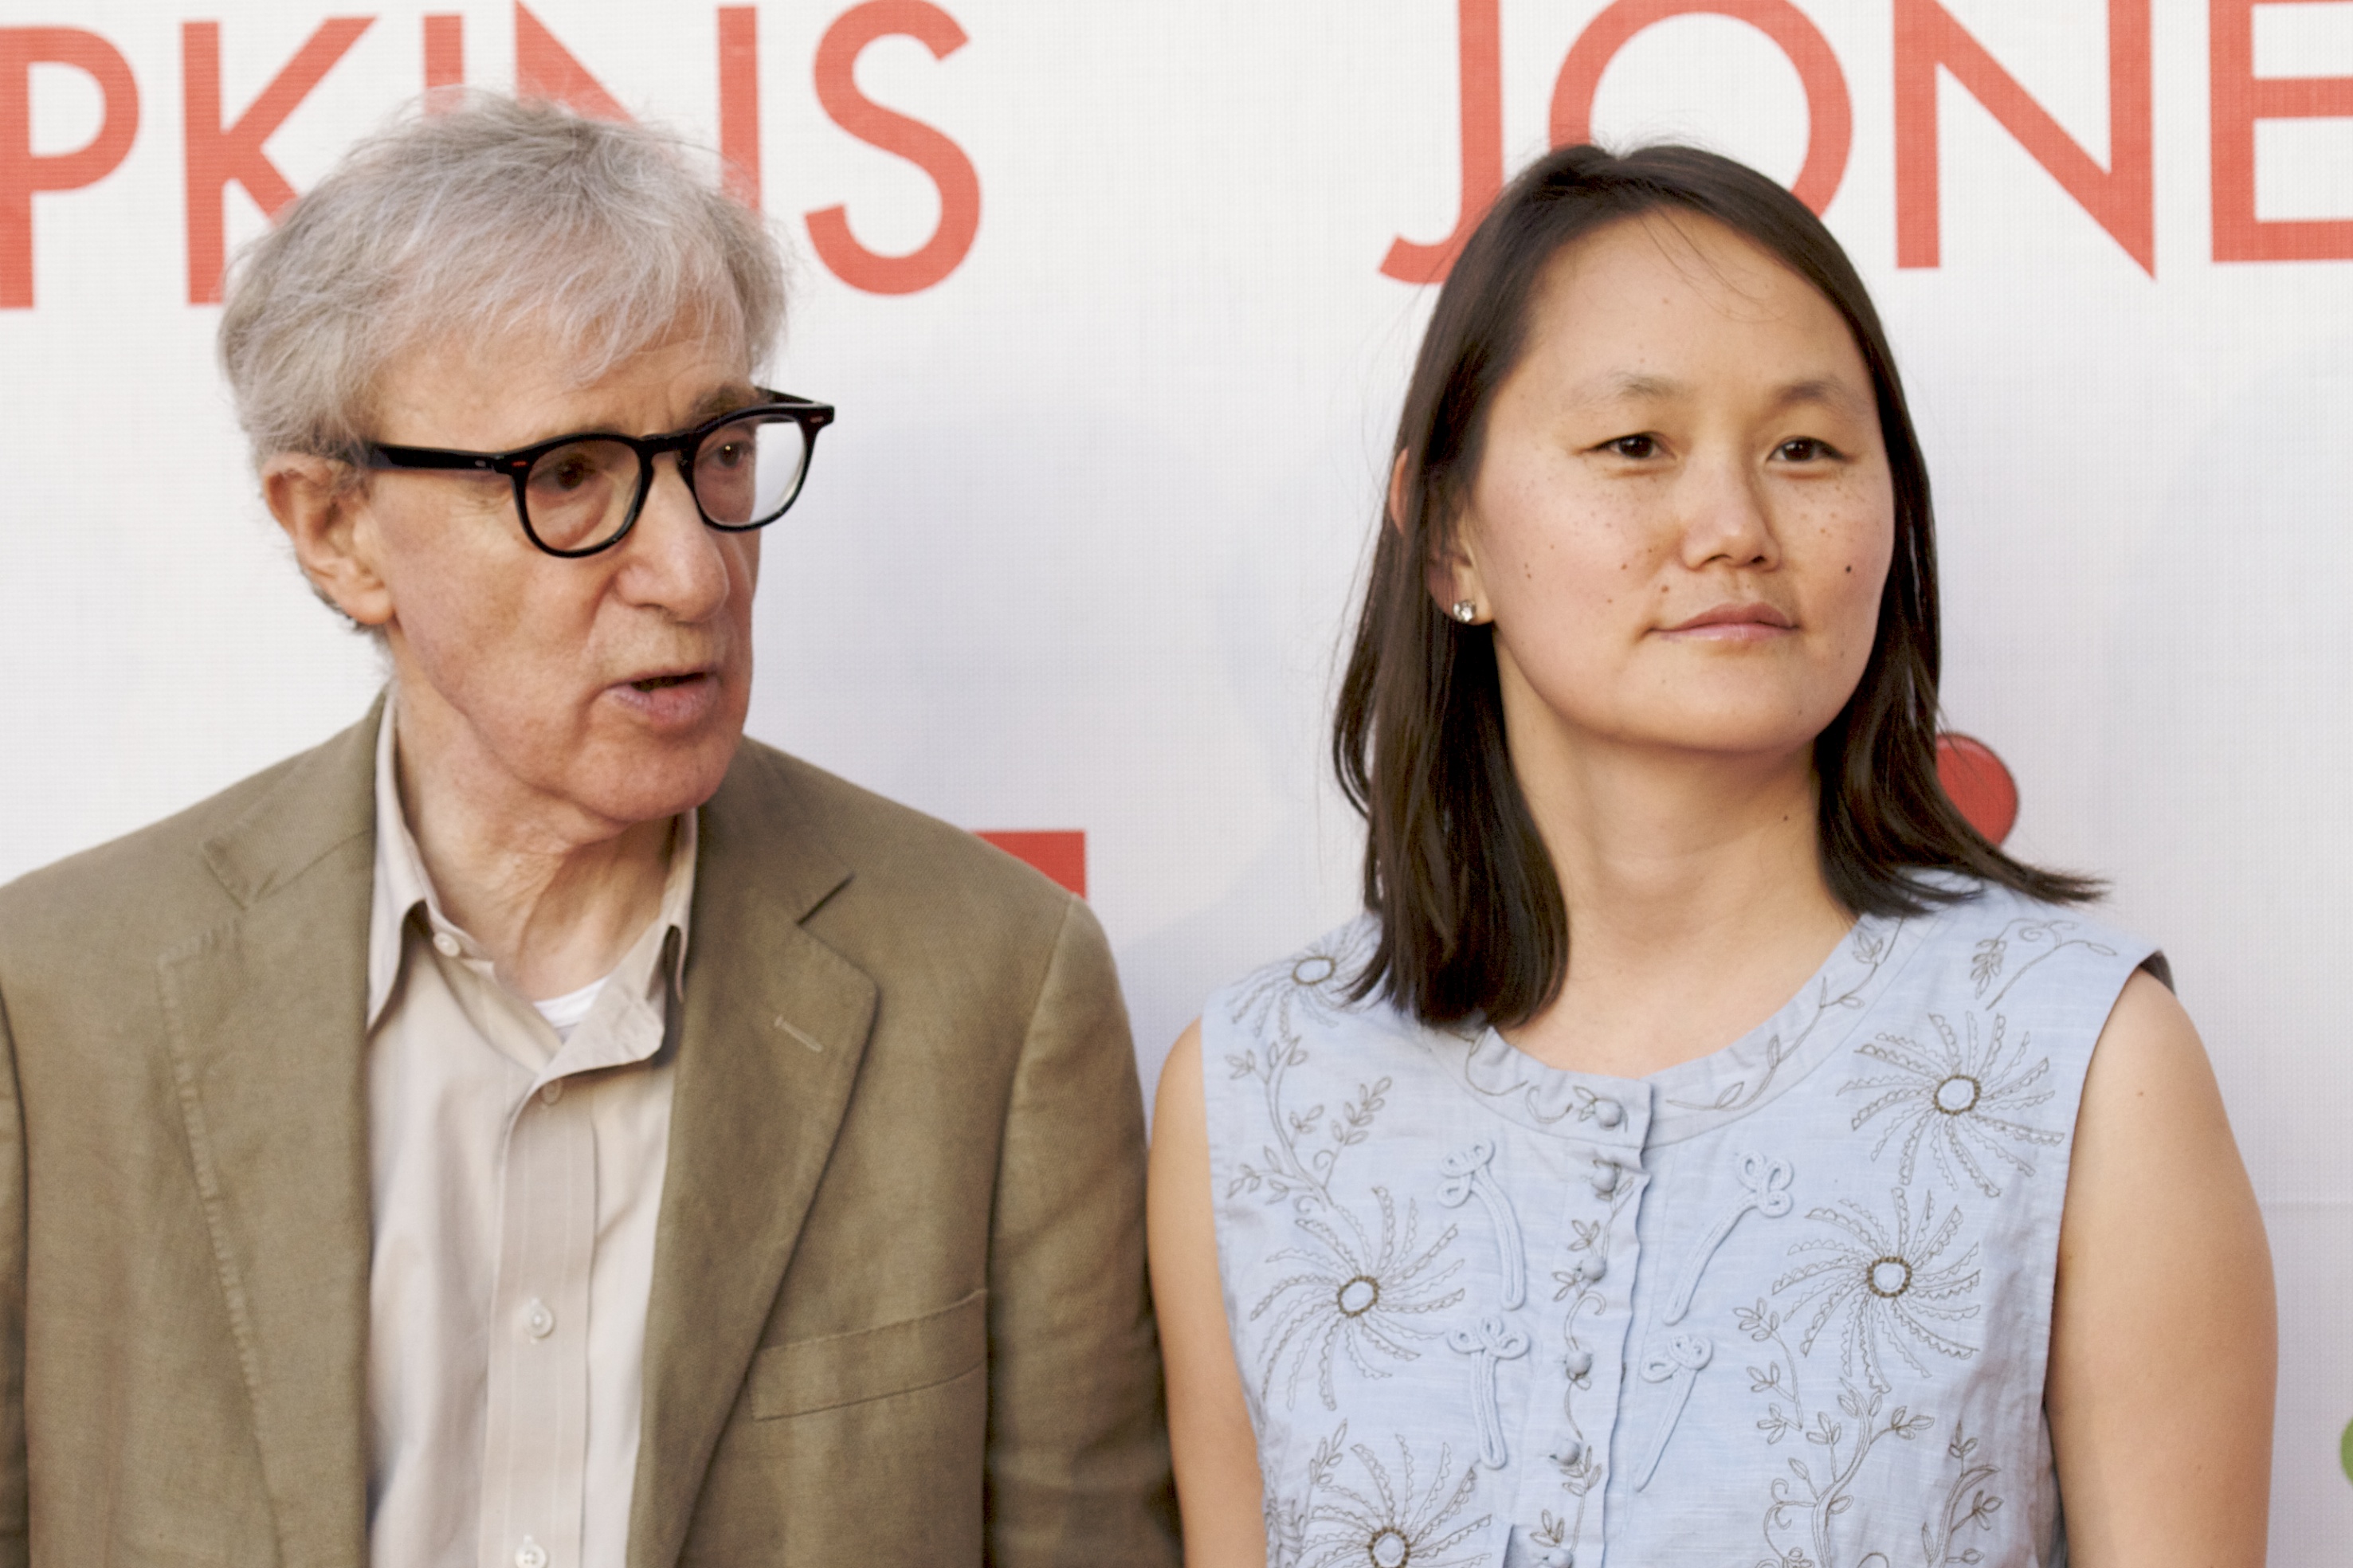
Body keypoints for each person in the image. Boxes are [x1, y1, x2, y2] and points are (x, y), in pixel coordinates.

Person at [0, 94, 1175, 1566]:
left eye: (723, 454)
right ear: (334, 531)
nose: (691, 570)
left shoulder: (995, 986)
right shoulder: (57, 1005)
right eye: (569, 477)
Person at [1148, 143, 2273, 1568]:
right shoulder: (1256, 1092)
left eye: (1805, 450)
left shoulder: (2086, 1064)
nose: (1735, 528)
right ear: (1446, 538)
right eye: (1634, 446)